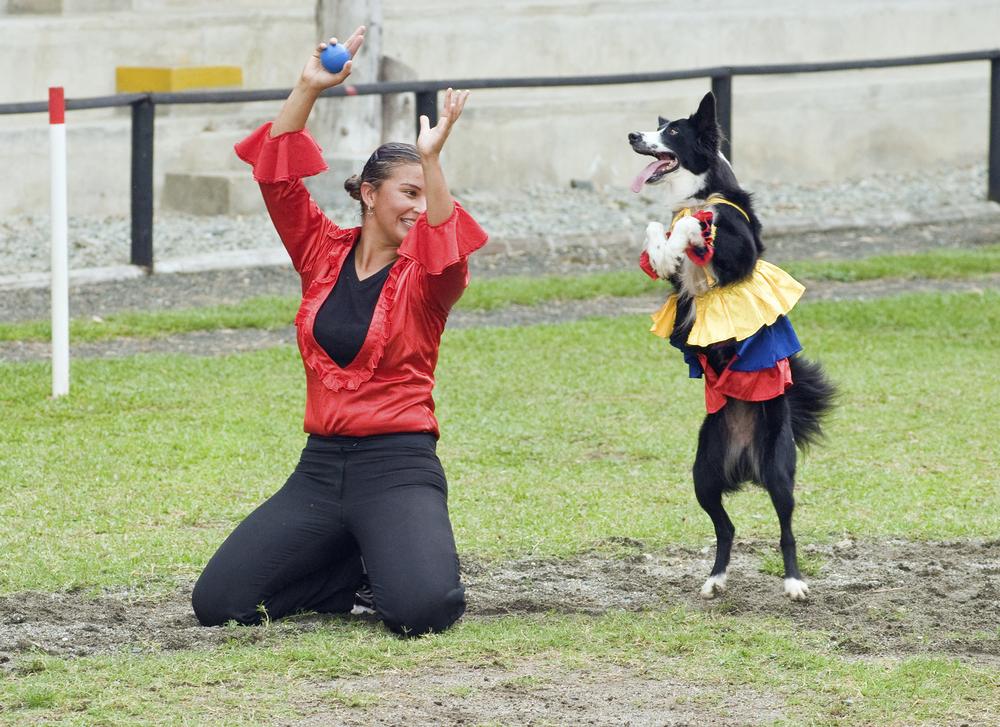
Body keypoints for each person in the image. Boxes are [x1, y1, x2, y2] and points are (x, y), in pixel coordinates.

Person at [191, 27, 487, 637]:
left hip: (398, 466)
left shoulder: (428, 280)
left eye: (424, 193)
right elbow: (276, 179)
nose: (416, 205)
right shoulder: (322, 253)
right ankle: (353, 564)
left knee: (422, 612)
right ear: (369, 194)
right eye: (406, 191)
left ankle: (393, 554)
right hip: (320, 469)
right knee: (219, 603)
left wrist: (431, 162)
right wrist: (308, 86)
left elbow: (446, 248)